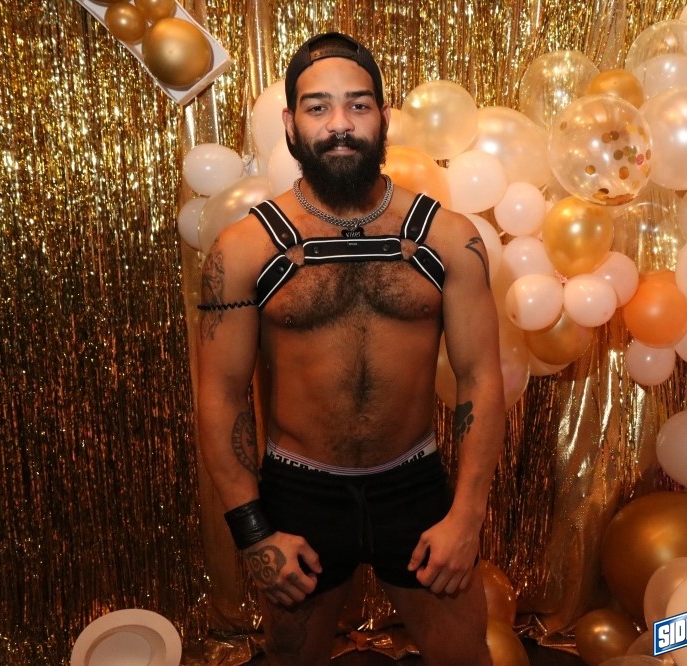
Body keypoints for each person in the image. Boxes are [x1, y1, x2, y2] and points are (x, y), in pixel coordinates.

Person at [196, 31, 506, 666]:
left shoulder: (448, 239)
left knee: (466, 657)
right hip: (301, 493)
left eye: (358, 105)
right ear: (291, 124)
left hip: (413, 486)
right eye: (318, 107)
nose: (340, 124)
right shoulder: (245, 249)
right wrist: (253, 532)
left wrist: (468, 515)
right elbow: (221, 396)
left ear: (384, 118)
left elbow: (479, 377)